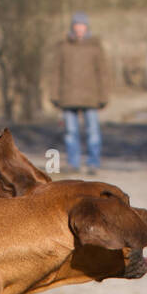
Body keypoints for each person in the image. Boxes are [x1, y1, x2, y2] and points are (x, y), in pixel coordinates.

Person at [49, 10, 111, 175]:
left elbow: (103, 73)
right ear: (73, 27)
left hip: (91, 97)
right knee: (71, 133)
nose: (79, 29)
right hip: (67, 97)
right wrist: (54, 95)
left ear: (86, 27)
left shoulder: (95, 47)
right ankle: (73, 163)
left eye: (82, 25)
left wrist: (103, 96)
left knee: (93, 132)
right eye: (77, 25)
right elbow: (55, 72)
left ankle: (93, 163)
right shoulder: (63, 47)